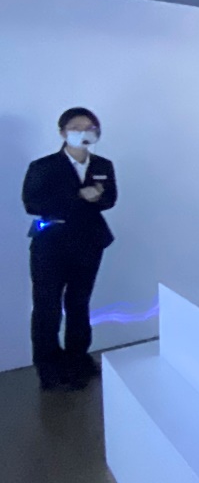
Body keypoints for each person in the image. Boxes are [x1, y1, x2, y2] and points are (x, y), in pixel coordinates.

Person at [22, 108, 118, 391]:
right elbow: (32, 204)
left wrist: (98, 198)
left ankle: (77, 359)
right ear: (63, 132)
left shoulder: (102, 165)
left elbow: (110, 199)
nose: (83, 132)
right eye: (76, 127)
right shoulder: (43, 166)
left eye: (90, 127)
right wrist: (78, 196)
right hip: (50, 245)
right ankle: (49, 367)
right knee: (47, 306)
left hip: (89, 243)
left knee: (79, 303)